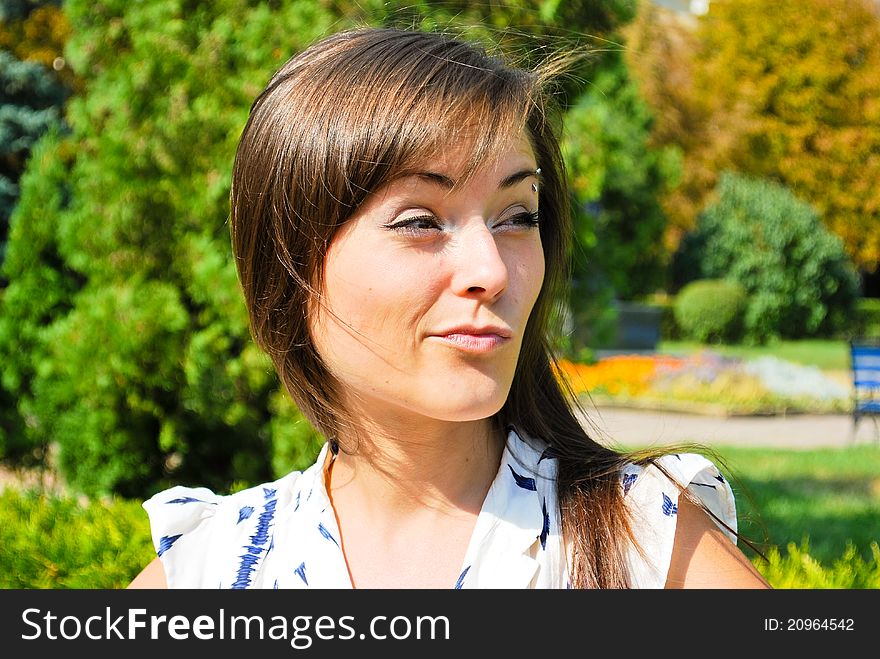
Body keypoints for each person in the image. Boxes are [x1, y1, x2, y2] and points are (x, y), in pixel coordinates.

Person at [129, 26, 770, 589]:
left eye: (518, 216)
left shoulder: (643, 548)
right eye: (419, 221)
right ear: (290, 268)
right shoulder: (210, 572)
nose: (491, 271)